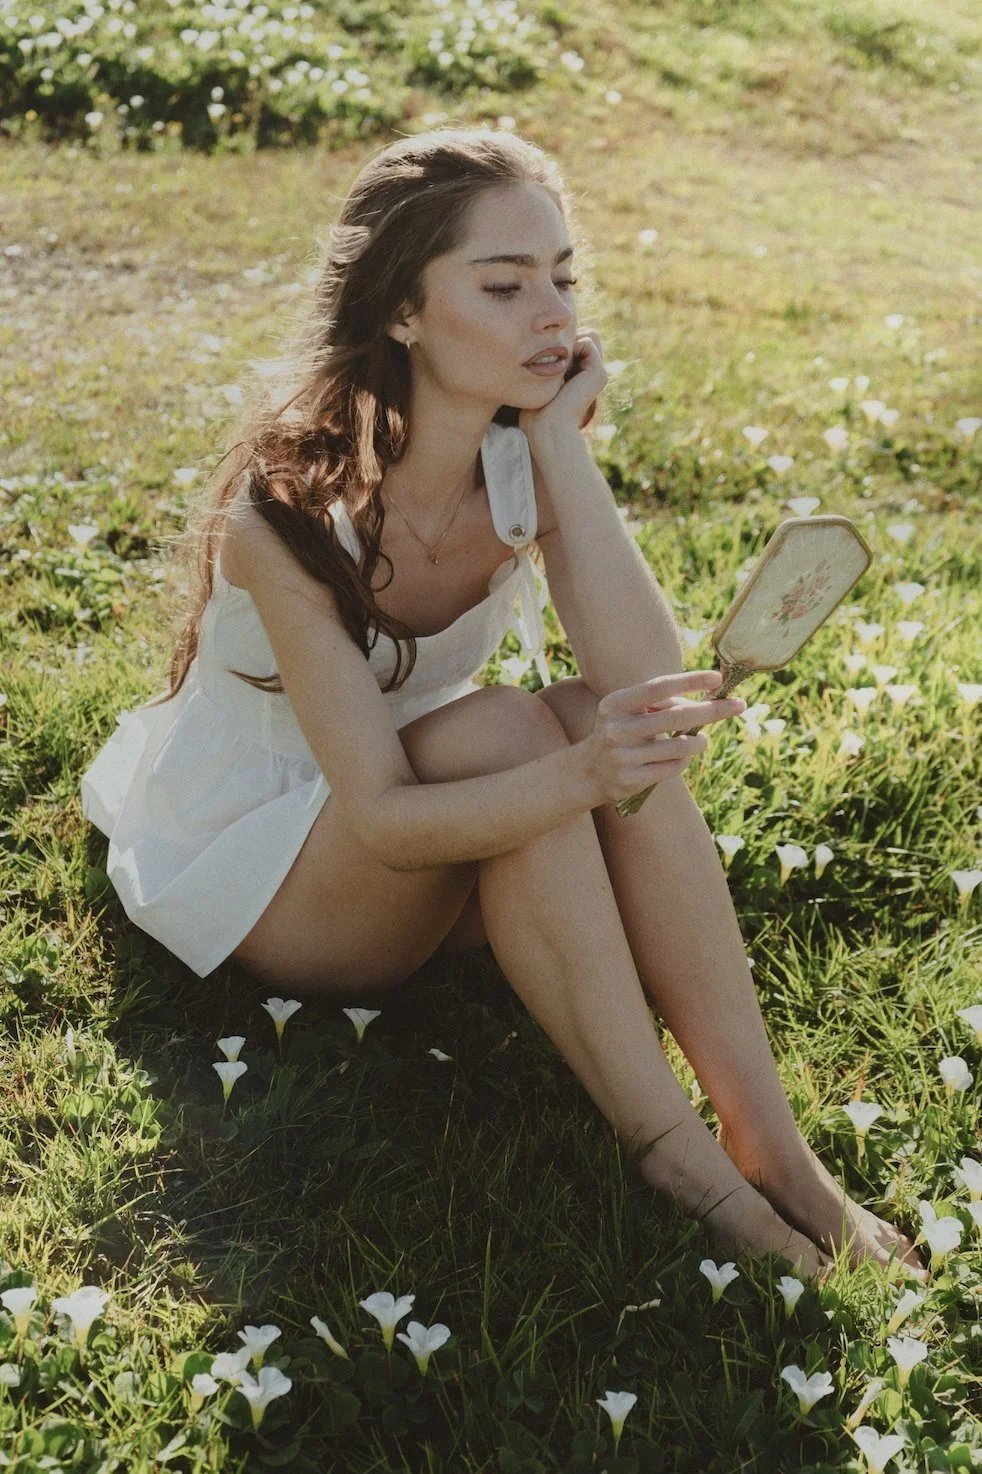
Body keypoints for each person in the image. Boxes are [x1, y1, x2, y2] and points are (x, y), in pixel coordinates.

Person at [80, 127, 927, 1286]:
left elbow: (638, 690)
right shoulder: (281, 512)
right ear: (404, 312)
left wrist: (559, 452)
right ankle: (678, 1157)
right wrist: (578, 779)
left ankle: (769, 1140)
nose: (555, 316)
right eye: (504, 283)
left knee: (562, 718)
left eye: (564, 279)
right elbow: (376, 815)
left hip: (430, 831)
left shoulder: (519, 466)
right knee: (522, 736)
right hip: (273, 869)